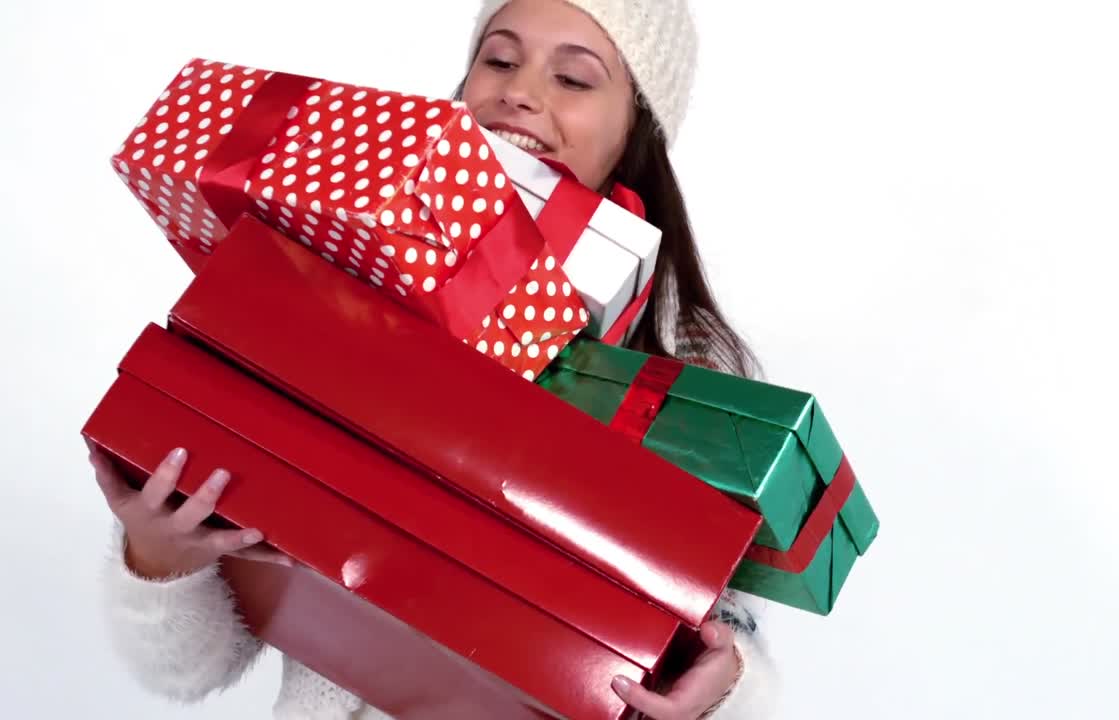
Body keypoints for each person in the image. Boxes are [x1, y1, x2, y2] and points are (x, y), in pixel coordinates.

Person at [92, 0, 780, 718]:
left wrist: (722, 694)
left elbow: (726, 646)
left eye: (574, 79)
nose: (519, 91)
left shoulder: (691, 375)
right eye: (500, 59)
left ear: (637, 130)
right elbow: (185, 674)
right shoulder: (326, 284)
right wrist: (157, 560)